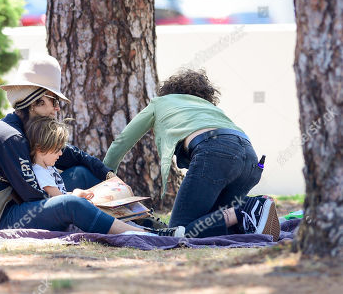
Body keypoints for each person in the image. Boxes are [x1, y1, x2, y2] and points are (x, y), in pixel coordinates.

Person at [103, 69, 281, 241]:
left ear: (169, 91)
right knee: (206, 224)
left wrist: (104, 178)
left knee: (180, 228)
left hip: (215, 153)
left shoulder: (160, 102)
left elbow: (123, 141)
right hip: (250, 160)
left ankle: (246, 209)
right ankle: (252, 213)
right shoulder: (208, 107)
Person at [0, 55, 114, 234]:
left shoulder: (31, 129)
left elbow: (75, 156)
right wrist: (71, 197)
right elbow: (33, 195)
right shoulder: (11, 137)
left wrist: (110, 177)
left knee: (81, 173)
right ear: (36, 101)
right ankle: (133, 232)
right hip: (1, 216)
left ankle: (140, 221)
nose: (57, 108)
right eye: (54, 101)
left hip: (23, 204)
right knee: (71, 204)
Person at [0, 115, 179, 235]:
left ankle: (148, 226)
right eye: (57, 150)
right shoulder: (40, 172)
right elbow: (58, 200)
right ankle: (152, 234)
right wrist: (77, 194)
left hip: (68, 209)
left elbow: (79, 159)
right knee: (114, 222)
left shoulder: (48, 167)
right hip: (65, 216)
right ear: (40, 149)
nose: (61, 154)